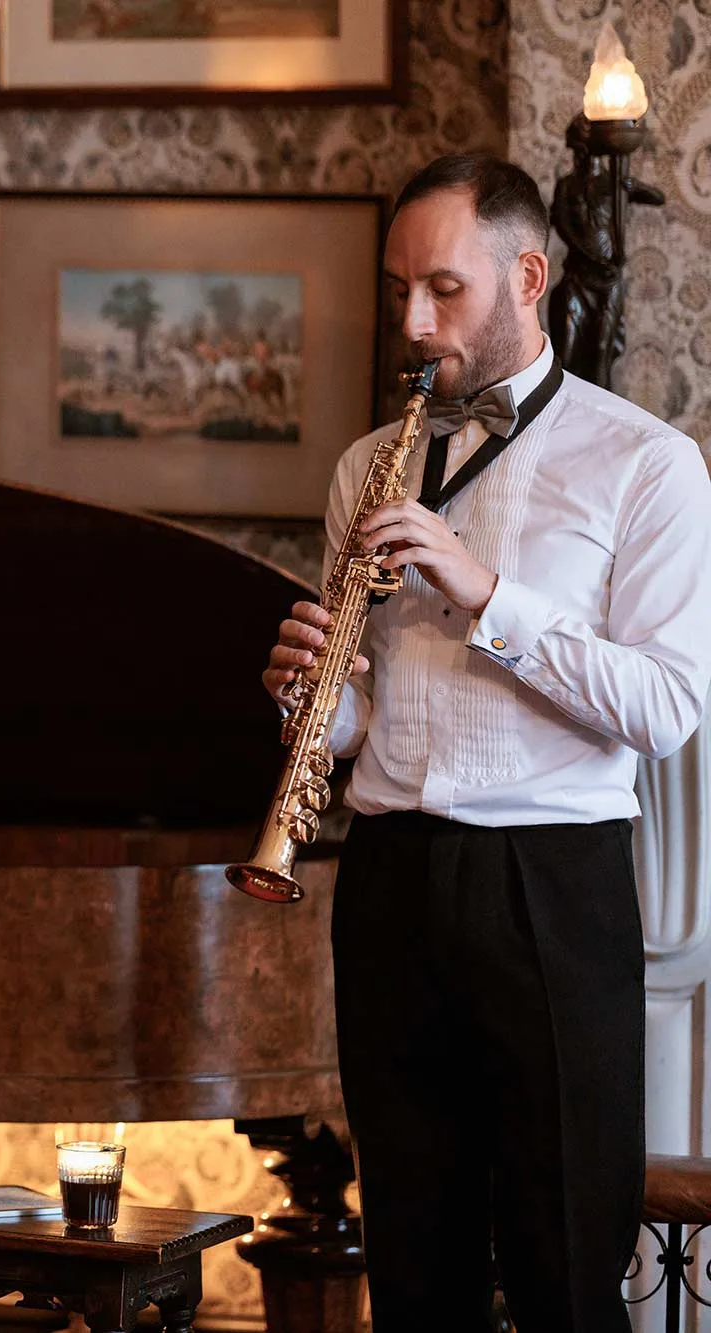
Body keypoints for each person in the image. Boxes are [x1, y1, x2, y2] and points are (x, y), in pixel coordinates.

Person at [260, 154, 711, 1332]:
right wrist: (316, 698)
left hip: (549, 886)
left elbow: (664, 708)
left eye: (442, 290)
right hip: (391, 875)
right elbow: (377, 716)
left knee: (567, 1272)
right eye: (398, 289)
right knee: (413, 1269)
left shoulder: (647, 466)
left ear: (527, 276)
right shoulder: (368, 464)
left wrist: (483, 591)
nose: (412, 323)